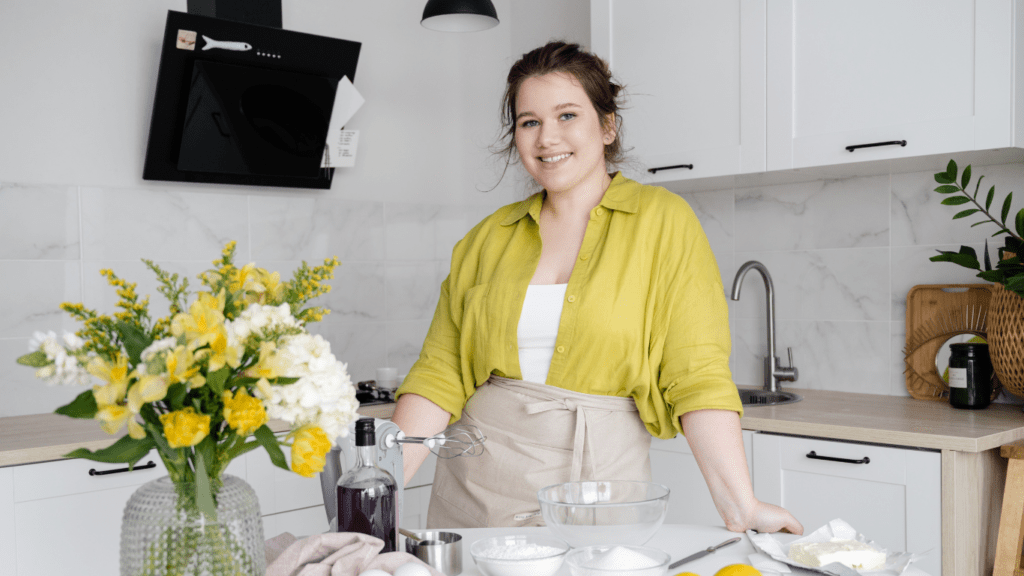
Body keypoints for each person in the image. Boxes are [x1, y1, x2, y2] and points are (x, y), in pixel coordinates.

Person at [391, 40, 803, 535]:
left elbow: (697, 374)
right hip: (475, 496)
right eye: (529, 122)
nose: (547, 138)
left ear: (607, 126)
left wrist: (743, 505)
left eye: (567, 115)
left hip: (600, 496)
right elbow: (439, 376)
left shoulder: (662, 222)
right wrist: (378, 488)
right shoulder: (486, 240)